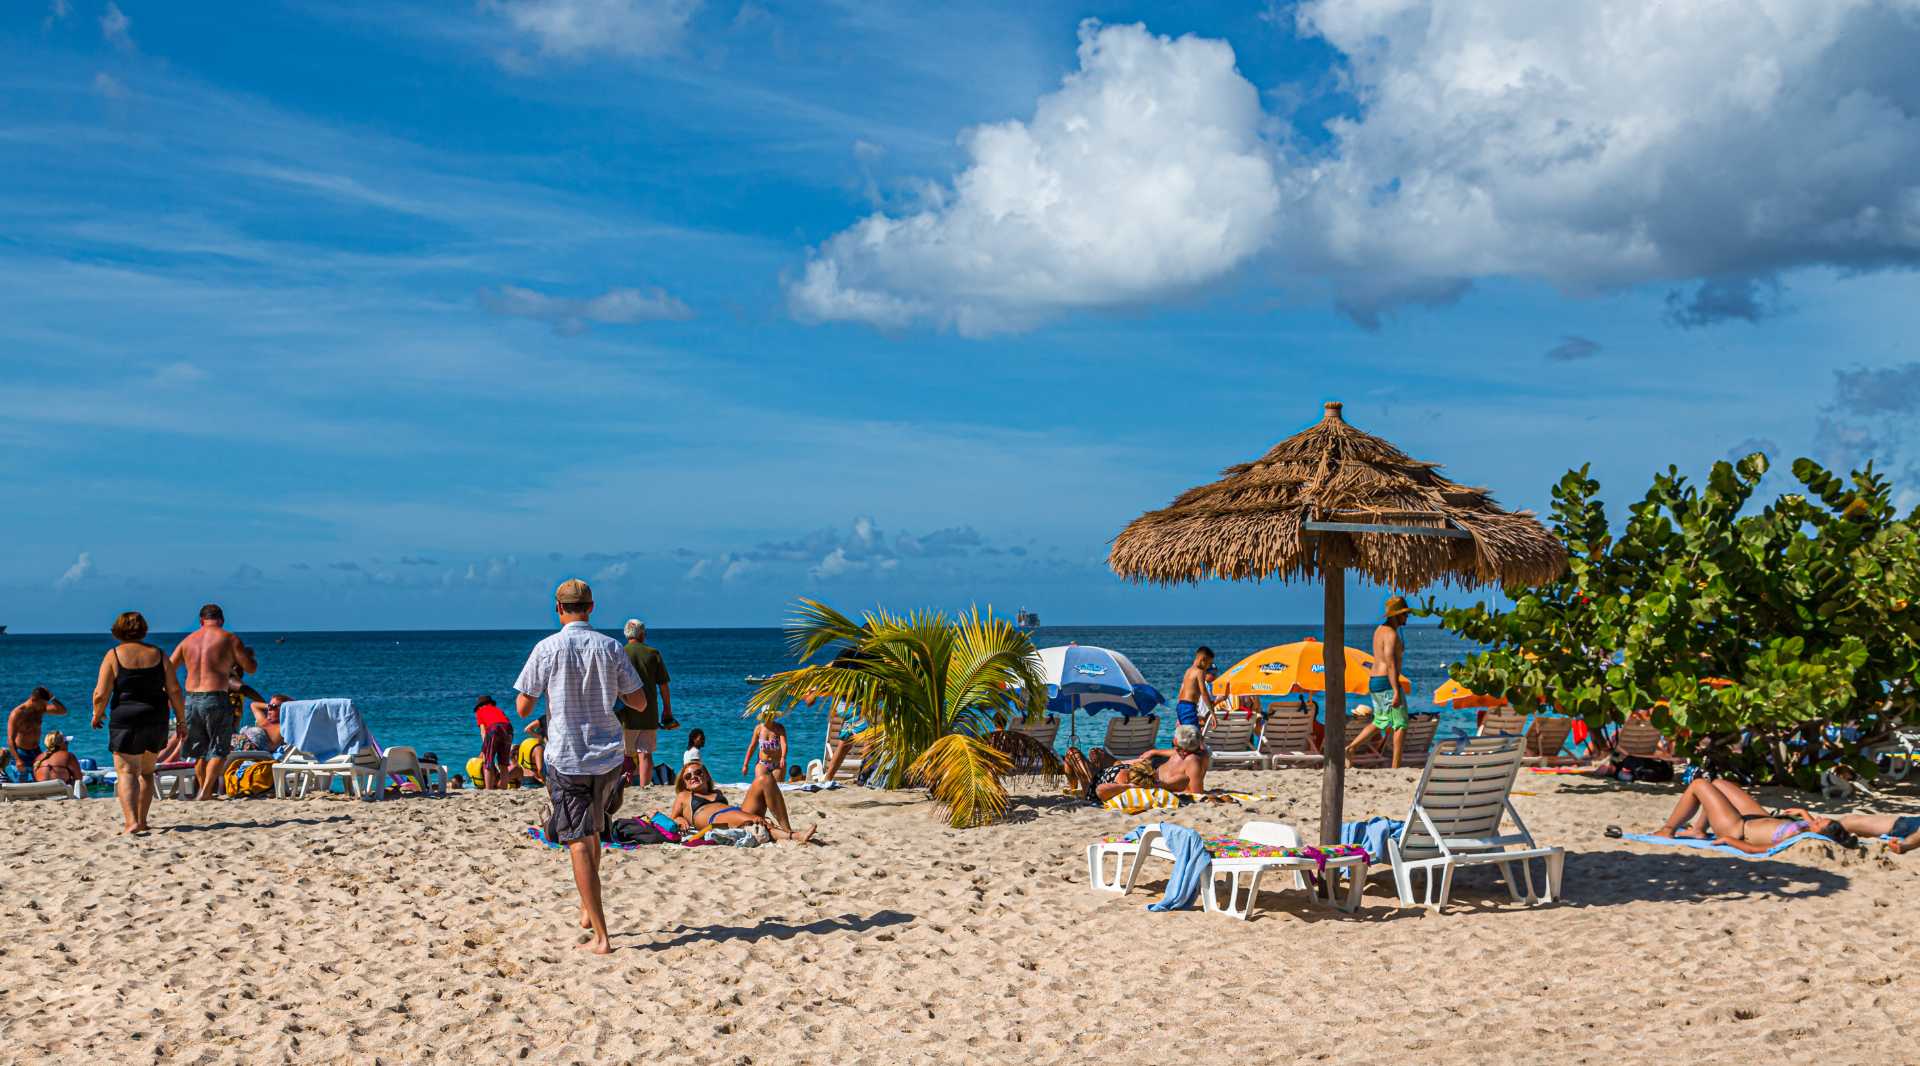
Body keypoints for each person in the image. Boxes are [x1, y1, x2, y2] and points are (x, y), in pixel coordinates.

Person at [513, 579, 648, 956]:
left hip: (568, 755)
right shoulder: (610, 647)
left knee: (576, 840)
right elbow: (637, 702)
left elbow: (523, 707)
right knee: (592, 831)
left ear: (558, 609)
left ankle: (602, 937)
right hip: (606, 756)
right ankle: (588, 911)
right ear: (591, 607)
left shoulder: (546, 649)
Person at [92, 611, 184, 834]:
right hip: (156, 717)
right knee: (146, 772)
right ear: (143, 629)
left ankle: (131, 821)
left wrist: (97, 714)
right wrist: (181, 720)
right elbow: (174, 689)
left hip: (126, 718)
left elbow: (101, 693)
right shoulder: (159, 655)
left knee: (127, 772)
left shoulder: (113, 655)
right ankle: (142, 821)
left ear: (118, 630)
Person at [169, 603, 256, 801]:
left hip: (191, 698)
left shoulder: (187, 641)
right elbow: (249, 668)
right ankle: (206, 791)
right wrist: (248, 660)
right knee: (219, 748)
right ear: (222, 620)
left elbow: (169, 669)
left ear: (201, 621)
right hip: (216, 696)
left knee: (199, 750)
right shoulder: (229, 638)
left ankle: (203, 790)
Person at [669, 763, 815, 843]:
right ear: (686, 784)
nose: (693, 777)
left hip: (735, 814)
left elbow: (732, 812)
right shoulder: (684, 795)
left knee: (765, 779)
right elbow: (673, 818)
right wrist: (680, 819)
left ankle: (787, 829)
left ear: (706, 776)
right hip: (715, 821)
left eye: (698, 773)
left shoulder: (717, 793)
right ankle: (795, 836)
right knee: (755, 821)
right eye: (688, 776)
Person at [1065, 723, 1212, 803]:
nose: (1174, 748)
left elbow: (1196, 793)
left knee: (1072, 753)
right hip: (1131, 771)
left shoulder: (1193, 761)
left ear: (1185, 750)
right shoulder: (1183, 752)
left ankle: (1081, 791)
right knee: (1096, 753)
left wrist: (1160, 786)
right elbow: (1174, 753)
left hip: (1119, 780)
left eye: (1176, 747)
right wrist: (1154, 752)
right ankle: (1073, 787)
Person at [1347, 596, 1411, 767]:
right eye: (1404, 614)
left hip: (1374, 680)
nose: (1407, 617)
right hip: (1386, 681)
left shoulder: (1379, 630)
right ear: (1396, 615)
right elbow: (1390, 662)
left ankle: (1351, 747)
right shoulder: (1391, 634)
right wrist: (1396, 689)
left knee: (1380, 720)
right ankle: (1396, 766)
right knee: (1400, 724)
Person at [619, 619, 676, 787]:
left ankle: (622, 787)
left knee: (624, 754)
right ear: (642, 634)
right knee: (645, 754)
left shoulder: (620, 652)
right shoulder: (653, 653)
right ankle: (644, 787)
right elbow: (663, 685)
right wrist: (667, 710)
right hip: (648, 712)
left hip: (624, 712)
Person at [8, 687, 67, 783]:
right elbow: (10, 739)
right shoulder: (17, 713)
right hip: (21, 753)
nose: (45, 706)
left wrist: (52, 698)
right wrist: (17, 759)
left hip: (36, 751)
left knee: (41, 780)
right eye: (43, 703)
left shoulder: (40, 709)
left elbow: (63, 711)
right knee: (22, 783)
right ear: (34, 700)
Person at [819, 702, 869, 782]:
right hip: (852, 707)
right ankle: (864, 777)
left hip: (846, 706)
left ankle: (828, 777)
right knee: (870, 734)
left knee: (845, 745)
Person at [474, 695, 515, 790]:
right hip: (508, 729)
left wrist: (484, 748)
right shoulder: (498, 709)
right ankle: (504, 789)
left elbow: (483, 730)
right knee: (504, 763)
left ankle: (488, 789)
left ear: (480, 706)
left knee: (488, 762)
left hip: (494, 728)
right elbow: (505, 723)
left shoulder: (480, 711)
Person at [1174, 647, 1215, 728]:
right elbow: (1203, 692)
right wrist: (1212, 713)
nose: (1208, 667)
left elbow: (1181, 691)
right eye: (1209, 663)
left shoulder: (1188, 671)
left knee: (1186, 733)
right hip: (1189, 707)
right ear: (1203, 659)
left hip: (1181, 706)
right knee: (1192, 735)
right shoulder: (1200, 672)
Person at [742, 714, 788, 780]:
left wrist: (783, 757)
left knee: (776, 785)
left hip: (777, 764)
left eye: (771, 715)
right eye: (767, 715)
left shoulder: (779, 728)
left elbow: (784, 744)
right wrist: (745, 764)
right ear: (763, 716)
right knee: (761, 782)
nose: (769, 717)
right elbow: (752, 746)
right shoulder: (758, 728)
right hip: (762, 763)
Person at [517, 717, 548, 785]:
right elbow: (540, 770)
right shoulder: (539, 749)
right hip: (533, 780)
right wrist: (543, 781)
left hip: (522, 778)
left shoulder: (526, 742)